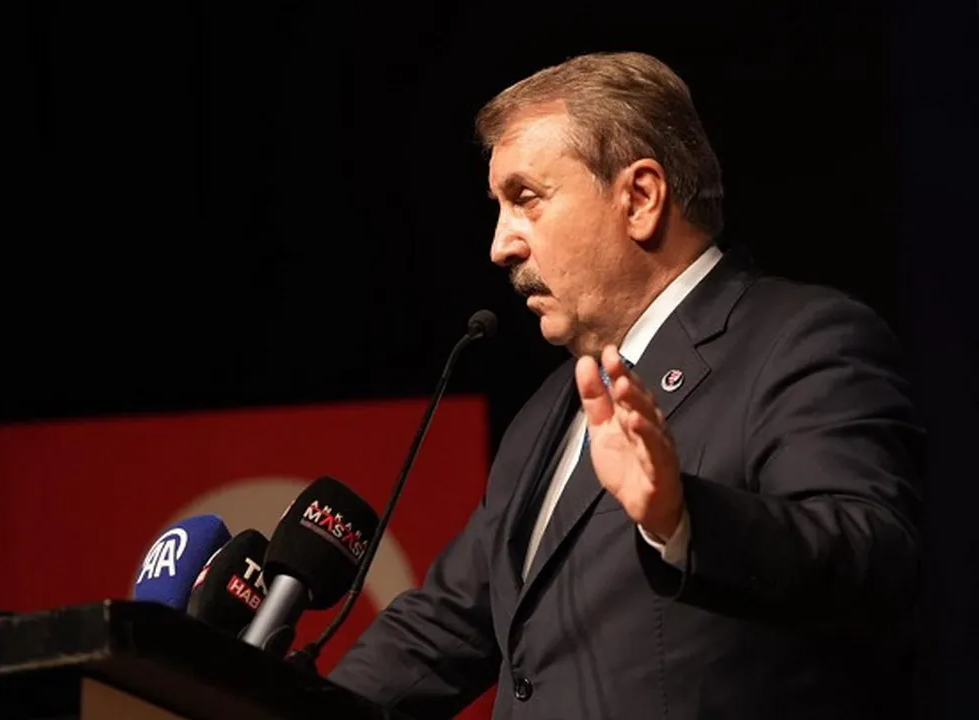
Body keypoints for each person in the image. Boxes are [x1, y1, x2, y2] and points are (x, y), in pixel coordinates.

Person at [328, 51, 923, 720]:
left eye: (526, 199)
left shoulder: (802, 340)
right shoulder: (544, 414)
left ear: (639, 198)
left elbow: (872, 557)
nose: (500, 245)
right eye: (499, 207)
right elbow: (441, 626)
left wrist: (681, 519)